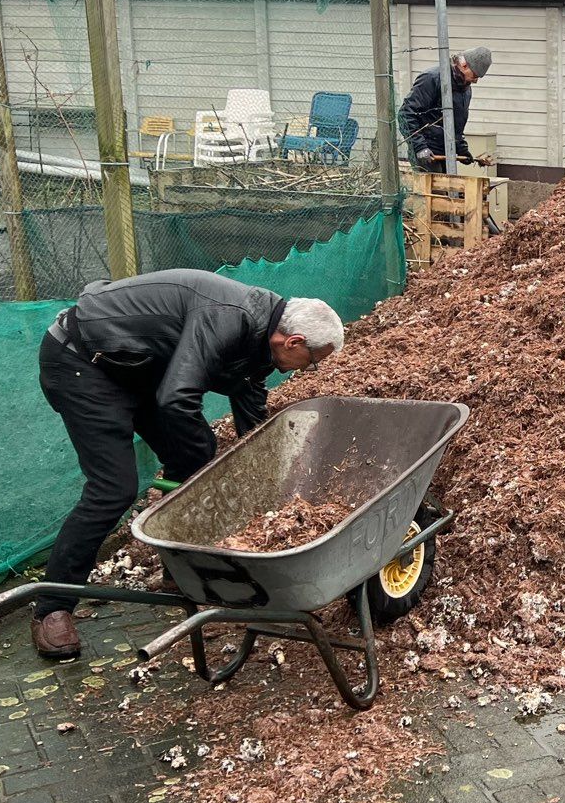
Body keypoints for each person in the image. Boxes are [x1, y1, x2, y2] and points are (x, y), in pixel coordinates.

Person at [31, 271, 345, 660]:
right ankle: (52, 607)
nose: (307, 370)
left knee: (193, 456)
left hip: (136, 366)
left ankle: (178, 570)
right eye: (312, 362)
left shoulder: (267, 335)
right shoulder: (232, 317)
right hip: (83, 362)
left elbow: (249, 404)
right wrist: (214, 465)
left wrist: (265, 472)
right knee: (114, 488)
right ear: (294, 341)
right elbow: (177, 399)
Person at [398, 47, 493, 169]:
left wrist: (461, 148)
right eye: (474, 75)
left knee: (451, 187)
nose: (475, 80)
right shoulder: (431, 79)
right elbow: (406, 114)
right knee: (433, 188)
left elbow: (457, 124)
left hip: (447, 152)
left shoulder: (465, 89)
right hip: (426, 151)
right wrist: (419, 146)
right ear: (464, 65)